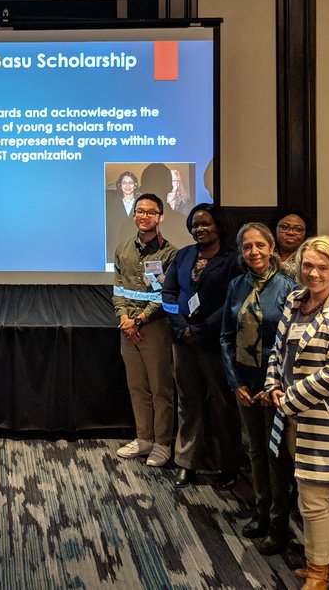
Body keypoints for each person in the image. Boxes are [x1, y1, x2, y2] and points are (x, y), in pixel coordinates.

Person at [265, 235, 329, 590]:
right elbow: (278, 351)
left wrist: (288, 400)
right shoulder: (294, 300)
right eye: (308, 265)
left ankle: (319, 572)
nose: (314, 273)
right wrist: (273, 384)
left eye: (323, 267)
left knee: (315, 499)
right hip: (292, 415)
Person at [220, 222, 296, 555]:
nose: (254, 252)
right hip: (245, 383)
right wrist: (235, 382)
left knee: (276, 455)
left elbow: (293, 344)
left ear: (271, 249)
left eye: (260, 246)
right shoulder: (236, 285)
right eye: (248, 247)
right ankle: (261, 512)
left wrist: (274, 384)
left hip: (275, 386)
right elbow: (225, 337)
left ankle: (280, 525)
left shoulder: (289, 288)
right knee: (254, 452)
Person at [162, 203, 243, 488]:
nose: (200, 229)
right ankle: (187, 462)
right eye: (195, 225)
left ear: (218, 225)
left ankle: (227, 465)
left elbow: (233, 301)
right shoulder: (184, 255)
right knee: (188, 402)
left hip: (214, 343)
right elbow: (169, 293)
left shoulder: (233, 260)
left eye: (206, 224)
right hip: (182, 341)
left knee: (223, 405)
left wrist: (202, 329)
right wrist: (180, 326)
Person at [113, 193, 177, 468]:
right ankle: (144, 439)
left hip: (154, 328)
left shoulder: (171, 253)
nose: (144, 216)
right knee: (137, 387)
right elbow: (118, 288)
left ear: (160, 217)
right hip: (128, 328)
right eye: (140, 211)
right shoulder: (124, 248)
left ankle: (163, 443)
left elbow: (167, 294)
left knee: (160, 388)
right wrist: (125, 317)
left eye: (151, 212)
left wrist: (139, 320)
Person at [105, 170, 139, 253]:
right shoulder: (111, 204)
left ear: (135, 185)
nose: (127, 186)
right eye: (124, 182)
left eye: (130, 182)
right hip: (115, 247)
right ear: (120, 185)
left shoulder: (141, 204)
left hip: (136, 247)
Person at [271, 209, 311, 276]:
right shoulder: (266, 256)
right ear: (275, 229)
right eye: (284, 227)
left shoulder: (310, 257)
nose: (290, 233)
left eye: (298, 229)